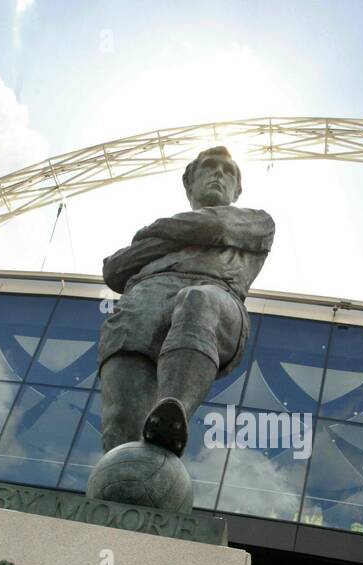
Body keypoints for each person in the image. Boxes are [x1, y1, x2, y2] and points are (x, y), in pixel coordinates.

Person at [98, 146, 274, 458]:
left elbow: (216, 227)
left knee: (197, 301)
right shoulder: (188, 231)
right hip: (141, 306)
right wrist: (196, 234)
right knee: (120, 428)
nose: (220, 173)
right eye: (210, 167)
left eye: (229, 171)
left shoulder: (257, 221)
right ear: (189, 183)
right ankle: (120, 475)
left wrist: (155, 232)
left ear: (238, 190)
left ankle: (173, 408)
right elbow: (115, 268)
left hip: (216, 296)